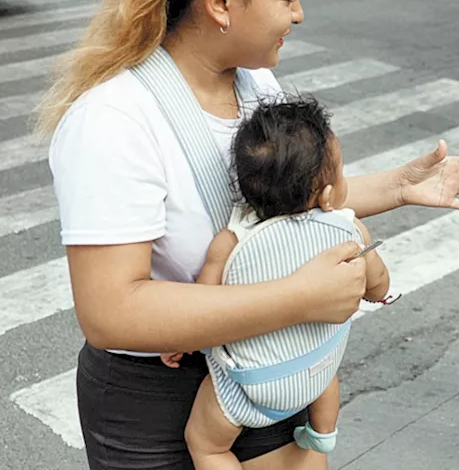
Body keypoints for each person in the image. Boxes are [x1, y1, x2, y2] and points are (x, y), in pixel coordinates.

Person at [37, 0, 459, 470]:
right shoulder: (114, 118)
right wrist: (298, 298)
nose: (299, 14)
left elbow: (290, 202)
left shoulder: (256, 85)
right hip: (158, 404)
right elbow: (112, 311)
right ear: (221, 1)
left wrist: (400, 187)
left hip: (267, 368)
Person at [159, 94, 393, 470]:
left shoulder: (231, 239)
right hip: (314, 374)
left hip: (251, 387)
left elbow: (200, 304)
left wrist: (180, 342)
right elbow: (377, 281)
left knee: (206, 445)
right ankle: (322, 432)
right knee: (327, 371)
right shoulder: (349, 229)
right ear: (329, 195)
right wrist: (380, 291)